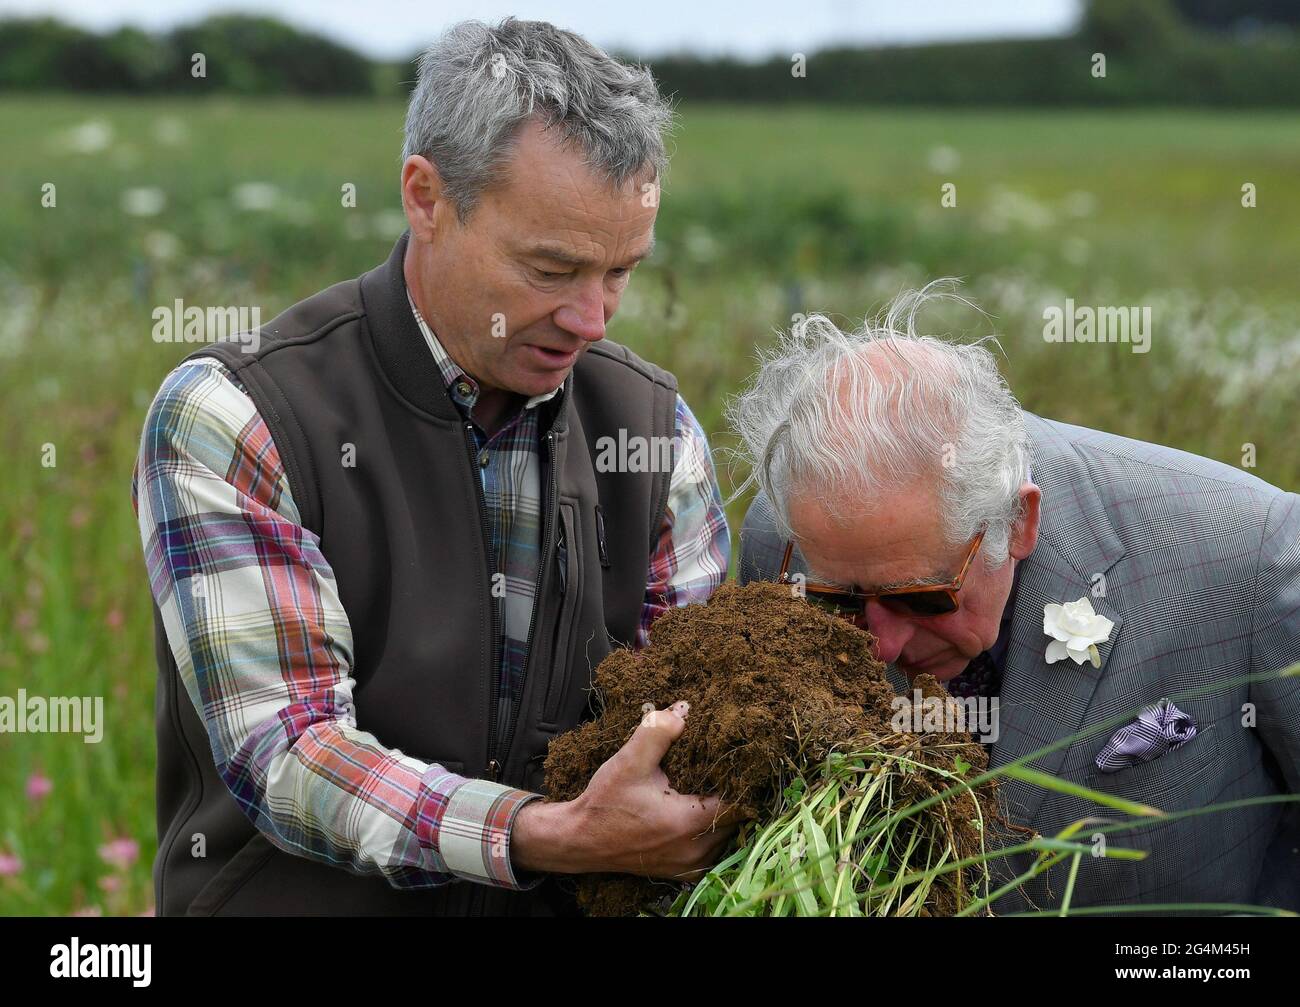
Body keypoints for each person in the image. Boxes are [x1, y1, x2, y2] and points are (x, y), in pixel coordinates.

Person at [133, 18, 733, 917]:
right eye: (552, 267)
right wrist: (539, 833)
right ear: (426, 196)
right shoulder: (239, 417)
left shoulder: (651, 434)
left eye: (620, 271)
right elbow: (291, 754)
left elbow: (706, 715)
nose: (592, 317)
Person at [734, 284, 1300, 913]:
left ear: (1018, 523)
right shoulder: (782, 537)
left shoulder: (1254, 558)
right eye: (841, 600)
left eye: (922, 598)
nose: (884, 646)